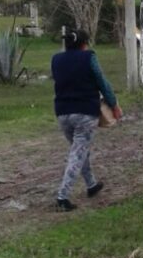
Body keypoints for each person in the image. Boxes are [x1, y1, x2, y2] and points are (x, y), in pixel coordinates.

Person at [51, 28, 122, 211]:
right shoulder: (88, 57)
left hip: (62, 113)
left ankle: (91, 185)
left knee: (80, 151)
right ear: (84, 43)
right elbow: (101, 82)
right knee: (78, 153)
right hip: (85, 113)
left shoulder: (56, 60)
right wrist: (113, 104)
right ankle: (62, 197)